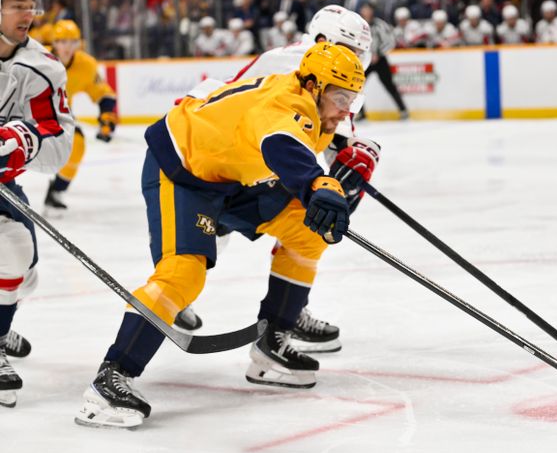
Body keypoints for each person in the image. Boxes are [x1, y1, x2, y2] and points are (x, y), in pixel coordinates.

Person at [75, 42, 365, 429]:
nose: (346, 110)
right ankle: (111, 380)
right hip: (183, 169)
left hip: (231, 176)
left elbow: (294, 151)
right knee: (183, 273)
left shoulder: (315, 110)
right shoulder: (284, 107)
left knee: (306, 231)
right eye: (341, 97)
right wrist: (319, 185)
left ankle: (271, 343)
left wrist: (332, 180)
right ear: (313, 85)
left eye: (353, 100)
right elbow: (282, 145)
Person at [176, 5, 378, 355]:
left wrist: (353, 159)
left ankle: (289, 305)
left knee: (308, 219)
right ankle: (178, 289)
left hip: (248, 161)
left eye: (361, 52)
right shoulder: (300, 63)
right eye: (352, 49)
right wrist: (351, 162)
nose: (357, 58)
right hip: (229, 159)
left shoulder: (332, 69)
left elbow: (329, 135)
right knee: (296, 219)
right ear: (322, 40)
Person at [0, 0, 75, 408]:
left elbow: (59, 143)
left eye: (30, 6)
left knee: (19, 258)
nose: (25, 14)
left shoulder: (42, 67)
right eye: (14, 5)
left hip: (3, 183)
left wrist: (22, 141)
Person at [43, 19, 118, 212]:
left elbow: (103, 93)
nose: (68, 47)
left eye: (72, 42)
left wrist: (107, 119)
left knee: (77, 144)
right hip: (25, 113)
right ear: (54, 42)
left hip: (59, 116)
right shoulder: (37, 58)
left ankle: (57, 190)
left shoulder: (85, 65)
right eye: (62, 41)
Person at [358, 3, 409, 120]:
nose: (366, 11)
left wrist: (379, 53)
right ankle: (361, 113)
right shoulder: (359, 25)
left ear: (371, 10)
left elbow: (390, 41)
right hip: (366, 61)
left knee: (390, 85)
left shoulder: (379, 24)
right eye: (364, 8)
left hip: (380, 60)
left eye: (368, 9)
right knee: (357, 86)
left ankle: (403, 110)